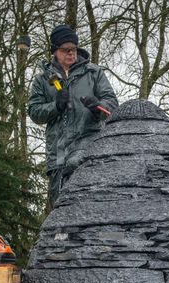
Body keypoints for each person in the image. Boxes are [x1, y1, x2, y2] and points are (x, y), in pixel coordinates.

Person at [28, 25, 118, 207]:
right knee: (60, 210)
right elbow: (35, 112)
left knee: (88, 205)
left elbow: (113, 106)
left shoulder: (93, 73)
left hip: (88, 148)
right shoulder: (42, 80)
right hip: (57, 156)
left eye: (74, 49)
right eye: (65, 50)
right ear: (55, 51)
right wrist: (56, 106)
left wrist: (97, 107)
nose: (71, 53)